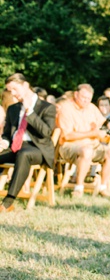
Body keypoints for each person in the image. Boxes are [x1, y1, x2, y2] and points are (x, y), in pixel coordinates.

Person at [0, 73, 56, 212]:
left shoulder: (47, 107)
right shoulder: (13, 108)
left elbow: (46, 132)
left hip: (38, 148)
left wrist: (29, 112)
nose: (12, 93)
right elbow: (7, 134)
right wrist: (3, 143)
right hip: (15, 147)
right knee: (19, 153)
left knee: (24, 154)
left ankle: (8, 202)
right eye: (9, 90)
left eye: (14, 89)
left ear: (25, 85)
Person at [57, 84, 110, 198]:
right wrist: (93, 133)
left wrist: (102, 133)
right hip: (70, 146)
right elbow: (67, 135)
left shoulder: (91, 108)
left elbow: (101, 125)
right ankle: (78, 188)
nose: (86, 101)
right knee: (87, 151)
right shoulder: (66, 108)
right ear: (76, 94)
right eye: (83, 98)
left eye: (89, 99)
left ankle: (103, 187)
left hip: (92, 144)